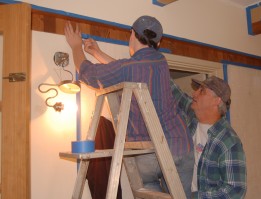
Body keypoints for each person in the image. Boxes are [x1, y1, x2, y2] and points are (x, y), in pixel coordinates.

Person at [64, 16, 194, 198]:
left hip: (149, 152)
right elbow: (128, 70)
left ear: (132, 34)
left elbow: (89, 74)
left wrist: (76, 46)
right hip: (181, 146)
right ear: (157, 42)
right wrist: (97, 53)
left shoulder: (131, 67)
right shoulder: (161, 62)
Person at [171, 76, 247, 198]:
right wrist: (157, 66)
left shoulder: (229, 142)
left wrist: (193, 197)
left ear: (217, 100)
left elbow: (236, 190)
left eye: (201, 91)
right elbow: (177, 94)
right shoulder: (193, 119)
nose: (194, 93)